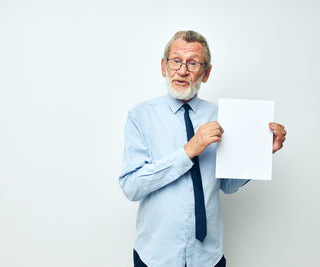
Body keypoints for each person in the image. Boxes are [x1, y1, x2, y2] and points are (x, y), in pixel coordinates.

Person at [119, 30, 287, 267]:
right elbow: (131, 186)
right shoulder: (140, 116)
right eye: (176, 60)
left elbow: (227, 186)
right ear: (163, 66)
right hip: (156, 256)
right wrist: (188, 151)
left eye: (193, 63)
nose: (183, 70)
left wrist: (259, 152)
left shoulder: (222, 117)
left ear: (206, 73)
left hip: (208, 257)